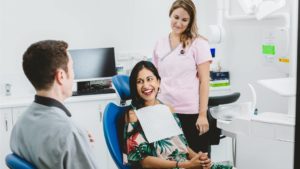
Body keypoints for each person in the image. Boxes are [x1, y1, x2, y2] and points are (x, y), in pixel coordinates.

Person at [10, 40, 100, 169]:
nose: (74, 74)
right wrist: (77, 143)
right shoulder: (70, 132)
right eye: (72, 68)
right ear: (61, 76)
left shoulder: (20, 124)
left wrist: (80, 146)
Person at [121, 61, 211, 169]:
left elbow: (183, 146)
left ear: (158, 82)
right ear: (135, 87)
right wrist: (185, 165)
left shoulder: (168, 109)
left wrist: (199, 160)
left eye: (149, 79)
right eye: (140, 81)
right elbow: (144, 161)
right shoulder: (133, 116)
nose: (145, 85)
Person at [152, 0, 212, 154]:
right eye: (176, 17)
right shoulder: (160, 43)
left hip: (190, 113)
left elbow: (205, 81)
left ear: (190, 21)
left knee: (196, 160)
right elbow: (155, 78)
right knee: (171, 159)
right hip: (164, 111)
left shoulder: (198, 44)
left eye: (184, 20)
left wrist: (202, 115)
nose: (179, 23)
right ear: (170, 14)